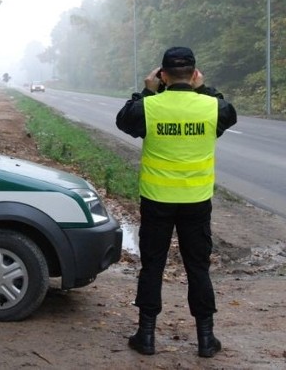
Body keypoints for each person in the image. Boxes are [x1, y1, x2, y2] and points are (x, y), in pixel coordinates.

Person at [115, 47, 237, 358]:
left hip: (157, 200)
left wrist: (146, 89)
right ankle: (206, 339)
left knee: (152, 265)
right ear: (195, 74)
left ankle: (146, 336)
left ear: (163, 75)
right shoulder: (211, 108)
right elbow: (227, 111)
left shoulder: (150, 107)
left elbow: (123, 120)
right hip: (196, 201)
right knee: (198, 267)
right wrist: (203, 89)